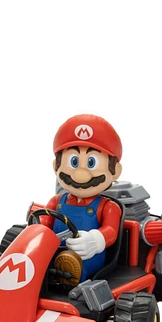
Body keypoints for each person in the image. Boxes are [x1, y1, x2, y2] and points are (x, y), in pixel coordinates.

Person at [41, 114, 123, 282]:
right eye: (74, 162)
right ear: (56, 166)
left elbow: (111, 231)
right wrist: (35, 230)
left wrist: (96, 240)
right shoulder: (56, 202)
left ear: (115, 171)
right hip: (50, 259)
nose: (80, 173)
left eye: (91, 163)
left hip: (87, 264)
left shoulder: (108, 207)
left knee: (75, 269)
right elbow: (43, 222)